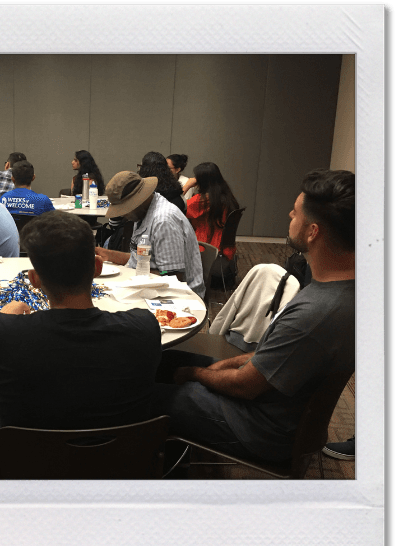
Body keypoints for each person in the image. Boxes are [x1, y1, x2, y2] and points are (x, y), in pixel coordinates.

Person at [152, 169, 356, 463]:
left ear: (313, 232)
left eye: (295, 212)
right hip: (276, 408)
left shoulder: (316, 312)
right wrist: (220, 366)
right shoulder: (345, 292)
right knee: (164, 361)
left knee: (143, 392)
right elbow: (274, 358)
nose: (289, 214)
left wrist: (194, 374)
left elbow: (244, 386)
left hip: (260, 430)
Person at [0, 210, 162, 477]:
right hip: (119, 468)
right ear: (97, 267)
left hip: (28, 468)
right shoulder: (145, 328)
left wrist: (1, 316)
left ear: (34, 280)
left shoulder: (4, 332)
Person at [95, 171, 206, 299]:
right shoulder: (143, 211)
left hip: (179, 297)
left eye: (125, 208)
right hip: (153, 287)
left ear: (138, 200)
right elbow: (142, 261)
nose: (123, 214)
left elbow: (172, 275)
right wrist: (110, 255)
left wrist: (138, 274)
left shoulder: (163, 220)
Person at [185, 162, 241, 261]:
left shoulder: (204, 199)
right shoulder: (225, 195)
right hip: (224, 247)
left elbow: (177, 207)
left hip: (205, 246)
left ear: (202, 181)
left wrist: (187, 186)